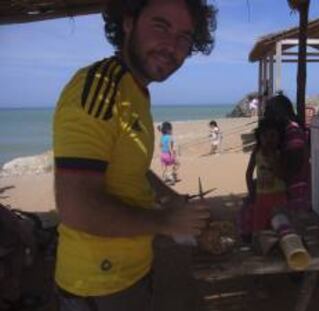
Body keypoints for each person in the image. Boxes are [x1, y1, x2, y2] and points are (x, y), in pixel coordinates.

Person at [52, 0, 217, 310]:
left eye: (184, 37)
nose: (172, 45)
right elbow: (76, 207)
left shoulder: (135, 91)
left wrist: (170, 197)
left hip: (133, 273)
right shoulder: (99, 88)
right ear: (128, 22)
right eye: (161, 26)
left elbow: (131, 165)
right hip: (97, 287)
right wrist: (167, 221)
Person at [263, 94, 311, 212]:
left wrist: (271, 154)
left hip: (298, 196)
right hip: (294, 194)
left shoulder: (293, 133)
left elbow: (291, 170)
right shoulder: (287, 132)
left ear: (279, 114)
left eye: (268, 112)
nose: (265, 116)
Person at [245, 118, 287, 233]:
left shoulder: (281, 153)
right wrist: (252, 193)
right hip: (261, 196)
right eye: (265, 136)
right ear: (259, 137)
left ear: (279, 137)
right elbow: (249, 173)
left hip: (279, 196)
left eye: (273, 136)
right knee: (260, 228)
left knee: (280, 227)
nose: (269, 140)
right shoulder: (256, 152)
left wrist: (273, 160)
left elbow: (283, 175)